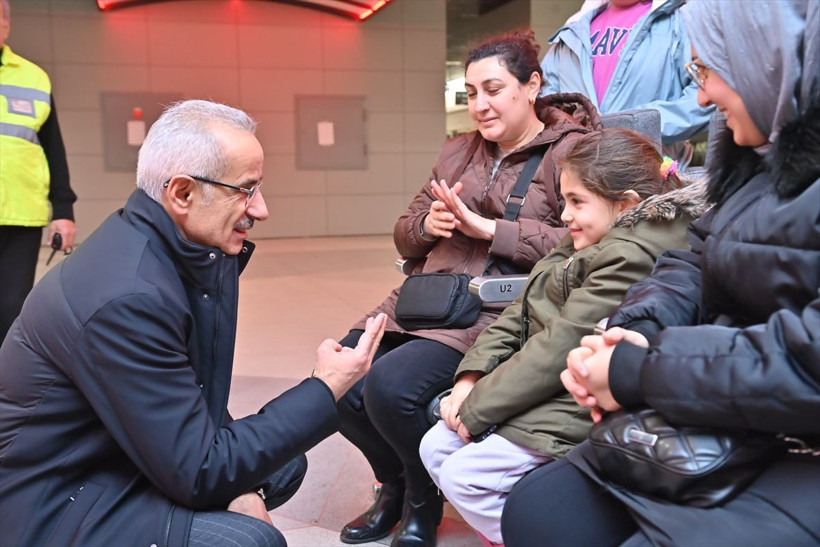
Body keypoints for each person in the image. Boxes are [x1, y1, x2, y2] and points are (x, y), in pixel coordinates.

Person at [0, 99, 388, 547]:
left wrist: (240, 485)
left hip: (108, 451)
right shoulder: (128, 298)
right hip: (50, 498)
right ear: (182, 193)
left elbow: (193, 394)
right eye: (246, 190)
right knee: (249, 540)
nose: (260, 209)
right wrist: (326, 388)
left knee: (283, 465)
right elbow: (200, 472)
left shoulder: (163, 246)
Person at [502, 1, 820, 546]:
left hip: (795, 434)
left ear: (768, 59)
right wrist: (636, 328)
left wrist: (639, 370)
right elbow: (691, 261)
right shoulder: (752, 158)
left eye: (708, 71)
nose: (700, 98)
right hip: (726, 398)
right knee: (538, 507)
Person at [337, 31, 601, 547]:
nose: (479, 105)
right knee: (338, 382)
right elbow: (405, 226)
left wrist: (490, 230)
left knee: (390, 390)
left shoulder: (571, 152)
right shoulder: (459, 150)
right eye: (471, 93)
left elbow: (583, 239)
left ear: (532, 86)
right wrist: (427, 226)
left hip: (494, 307)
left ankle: (420, 500)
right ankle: (393, 484)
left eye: (494, 89)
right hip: (425, 295)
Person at [419, 129, 706, 546]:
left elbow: (562, 343)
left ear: (625, 204)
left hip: (572, 398)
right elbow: (518, 314)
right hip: (536, 386)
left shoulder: (630, 256)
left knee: (466, 476)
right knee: (435, 447)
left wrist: (477, 408)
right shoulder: (589, 237)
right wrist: (471, 379)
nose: (565, 215)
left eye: (576, 202)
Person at [541, 0, 713, 167]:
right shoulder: (573, 29)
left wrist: (634, 125)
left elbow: (707, 94)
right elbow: (544, 98)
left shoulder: (681, 21)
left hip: (649, 178)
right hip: (576, 175)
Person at [0, 0, 77, 342]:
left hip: (21, 215)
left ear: (6, 25)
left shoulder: (33, 77)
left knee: (12, 309)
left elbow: (52, 148)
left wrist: (63, 211)